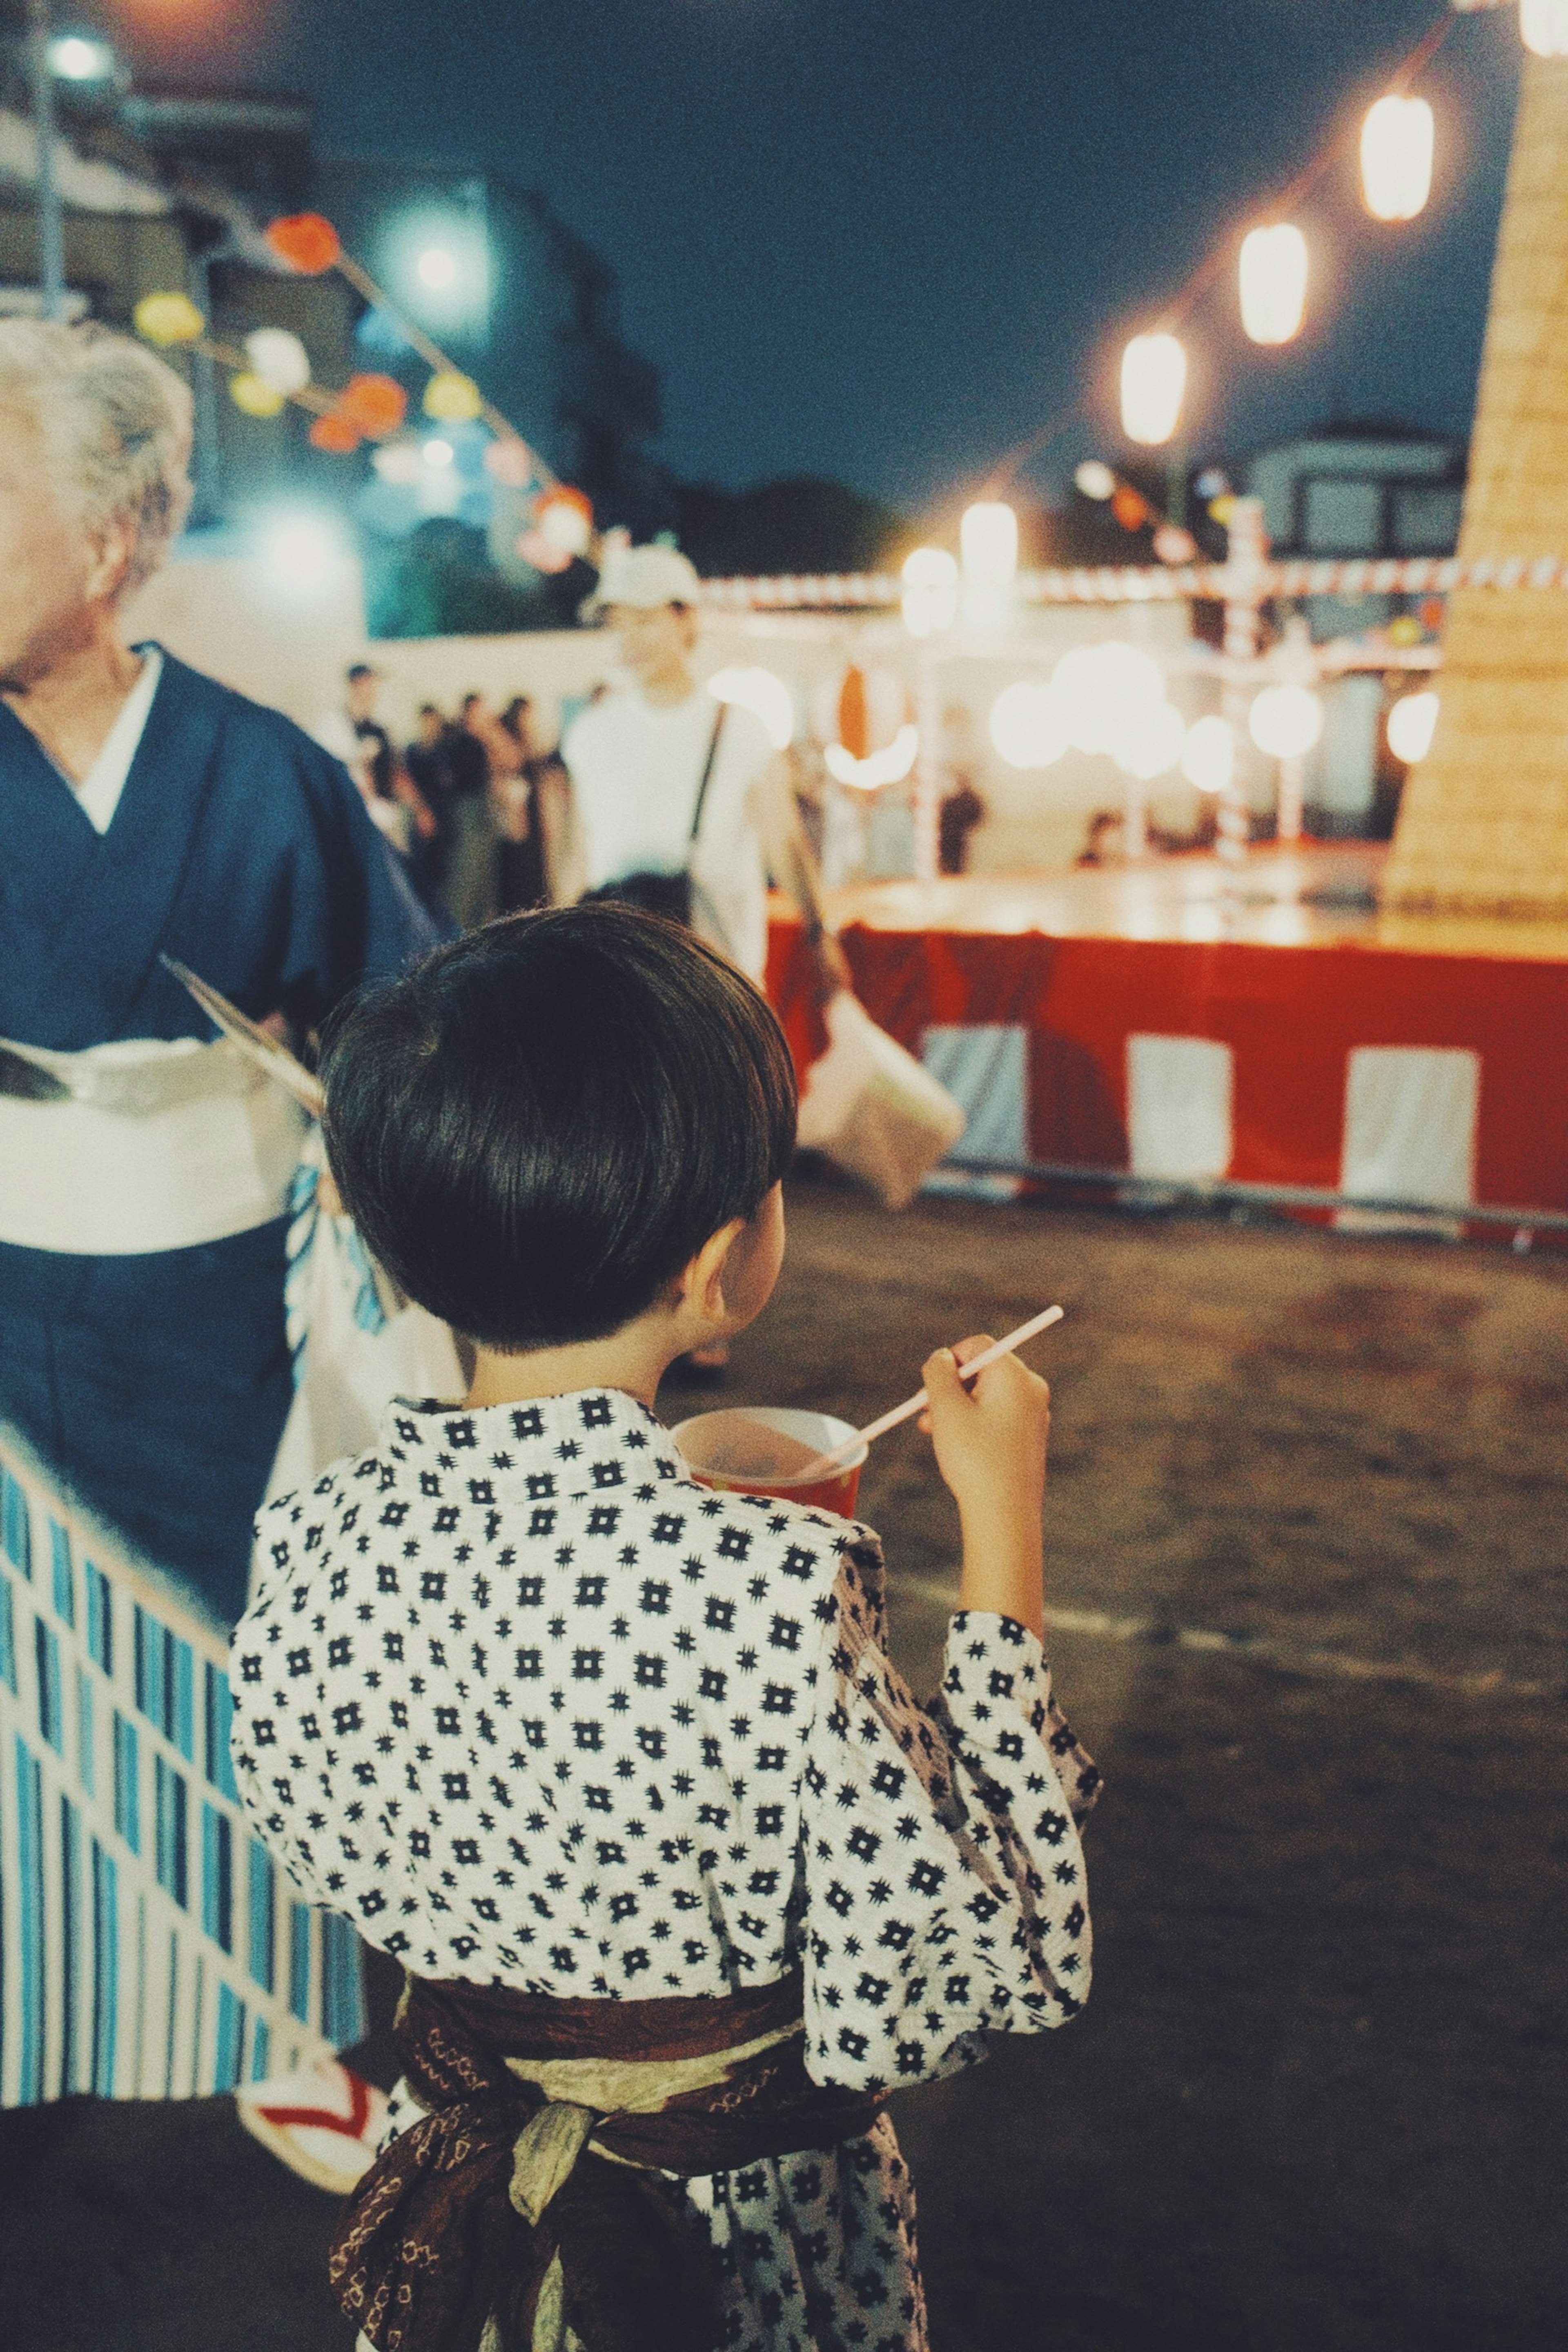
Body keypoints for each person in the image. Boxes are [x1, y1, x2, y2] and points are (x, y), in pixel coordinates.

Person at [231, 904, 1100, 2352]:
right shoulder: (775, 1594)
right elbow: (1002, 1960)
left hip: (479, 2235)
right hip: (736, 2241)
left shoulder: (309, 1545)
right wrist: (1004, 1522)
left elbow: (318, 1842)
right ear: (719, 1268)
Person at [0, 318, 439, 2138]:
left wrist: (367, 1147)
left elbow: (405, 1013)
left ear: (112, 543)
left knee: (236, 1668)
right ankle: (43, 1996)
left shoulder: (267, 769)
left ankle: (274, 2018)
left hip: (222, 1319)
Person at [545, 543, 848, 996]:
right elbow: (578, 855)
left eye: (644, 621)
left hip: (719, 979)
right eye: (617, 625)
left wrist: (818, 935)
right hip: (613, 979)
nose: (628, 639)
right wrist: (549, 947)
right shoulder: (590, 734)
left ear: (686, 620)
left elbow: (784, 843)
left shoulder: (741, 728)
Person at [313, 661, 436, 863]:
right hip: (352, 824)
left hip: (386, 819)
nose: (375, 690)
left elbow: (395, 773)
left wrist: (420, 808)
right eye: (371, 682)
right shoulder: (333, 728)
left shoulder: (378, 730)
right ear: (356, 684)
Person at [442, 690, 501, 928]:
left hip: (483, 809)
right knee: (467, 872)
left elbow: (510, 760)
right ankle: (458, 926)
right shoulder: (458, 742)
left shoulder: (481, 741)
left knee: (485, 874)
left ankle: (479, 924)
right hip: (467, 810)